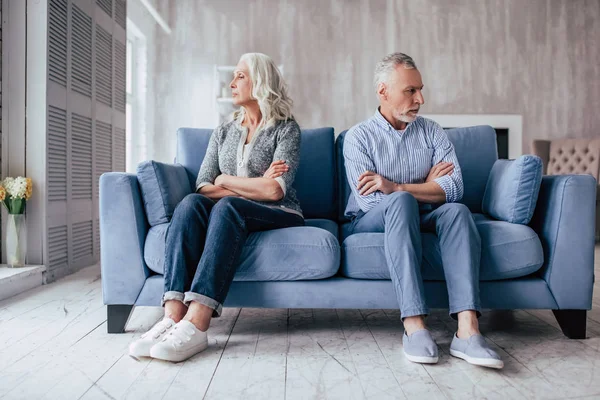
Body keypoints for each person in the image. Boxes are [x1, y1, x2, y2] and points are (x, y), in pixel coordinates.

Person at [129, 53, 304, 362]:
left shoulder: (286, 130)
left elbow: (275, 191)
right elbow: (203, 185)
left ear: (259, 83)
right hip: (239, 205)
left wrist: (227, 180)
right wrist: (249, 183)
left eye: (240, 76)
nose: (232, 82)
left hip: (280, 213)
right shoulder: (223, 131)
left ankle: (197, 323)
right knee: (191, 203)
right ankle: (172, 315)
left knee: (228, 207)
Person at [343, 52, 503, 369]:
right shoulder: (358, 137)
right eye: (410, 91)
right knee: (399, 203)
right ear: (383, 90)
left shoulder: (431, 131)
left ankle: (467, 332)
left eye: (420, 89)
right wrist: (425, 188)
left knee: (456, 211)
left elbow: (454, 187)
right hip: (370, 221)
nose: (421, 99)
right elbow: (373, 202)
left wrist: (397, 186)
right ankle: (414, 325)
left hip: (416, 211)